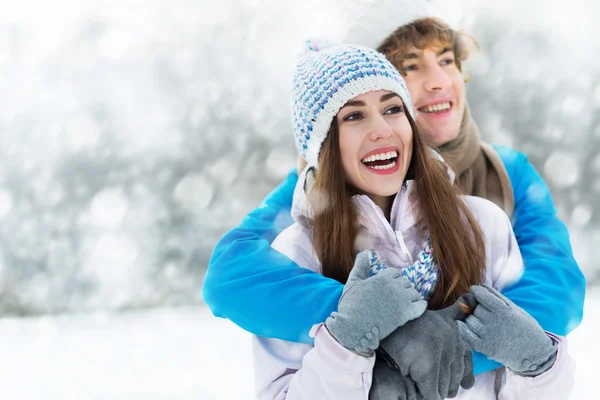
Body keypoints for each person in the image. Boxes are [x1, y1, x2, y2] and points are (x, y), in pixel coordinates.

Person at [203, 0, 585, 385]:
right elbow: (232, 274)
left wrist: (490, 353)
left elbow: (557, 287)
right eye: (411, 65)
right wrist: (374, 331)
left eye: (447, 59)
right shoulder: (309, 196)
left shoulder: (505, 175)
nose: (437, 80)